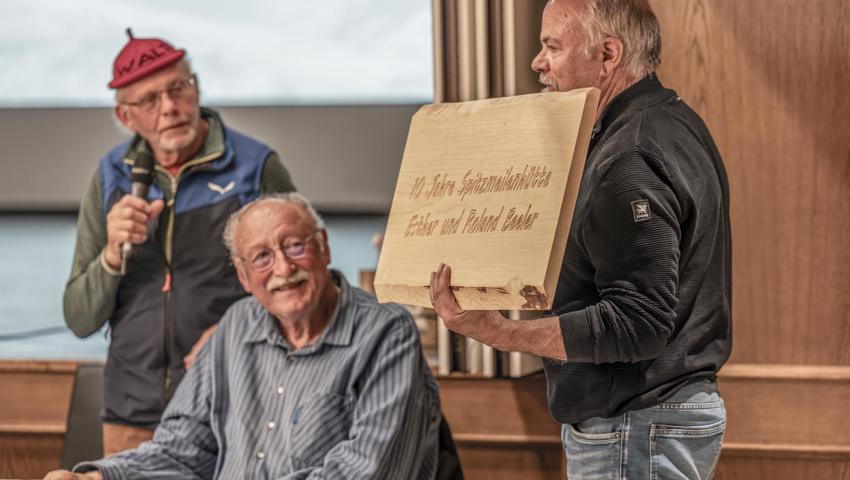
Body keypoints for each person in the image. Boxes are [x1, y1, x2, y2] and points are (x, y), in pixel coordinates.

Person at [429, 0, 731, 478]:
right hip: (648, 420)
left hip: (634, 424)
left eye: (552, 45)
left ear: (608, 54)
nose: (537, 62)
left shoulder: (628, 157)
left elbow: (639, 323)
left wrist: (497, 332)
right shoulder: (671, 122)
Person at [47, 193, 440, 479]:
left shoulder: (386, 334)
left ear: (323, 247)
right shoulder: (235, 326)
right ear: (243, 276)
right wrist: (99, 478)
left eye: (295, 246)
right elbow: (185, 449)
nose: (283, 268)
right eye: (262, 257)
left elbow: (366, 472)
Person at [62, 29, 296, 455]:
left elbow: (302, 286)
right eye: (150, 100)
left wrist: (234, 329)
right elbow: (79, 319)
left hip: (234, 405)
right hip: (131, 415)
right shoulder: (111, 176)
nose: (170, 107)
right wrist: (112, 256)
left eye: (178, 88)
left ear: (196, 87)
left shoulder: (254, 167)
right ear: (126, 116)